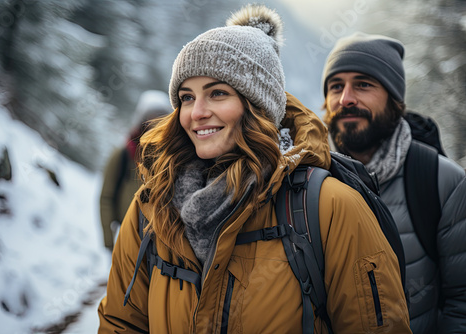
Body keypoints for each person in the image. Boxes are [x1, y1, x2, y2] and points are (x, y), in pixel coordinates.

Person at [98, 5, 411, 333]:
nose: (197, 112)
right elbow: (120, 323)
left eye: (218, 93)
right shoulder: (152, 207)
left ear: (259, 105)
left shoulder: (329, 206)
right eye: (187, 97)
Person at [321, 32, 466, 333]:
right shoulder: (311, 182)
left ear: (395, 99)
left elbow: (461, 304)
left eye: (363, 84)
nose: (345, 99)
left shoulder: (443, 182)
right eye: (336, 86)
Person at [99, 90, 171, 251]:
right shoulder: (123, 155)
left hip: (160, 243)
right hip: (125, 237)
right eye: (153, 115)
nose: (157, 121)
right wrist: (109, 240)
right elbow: (106, 197)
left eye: (162, 116)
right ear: (142, 119)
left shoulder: (172, 158)